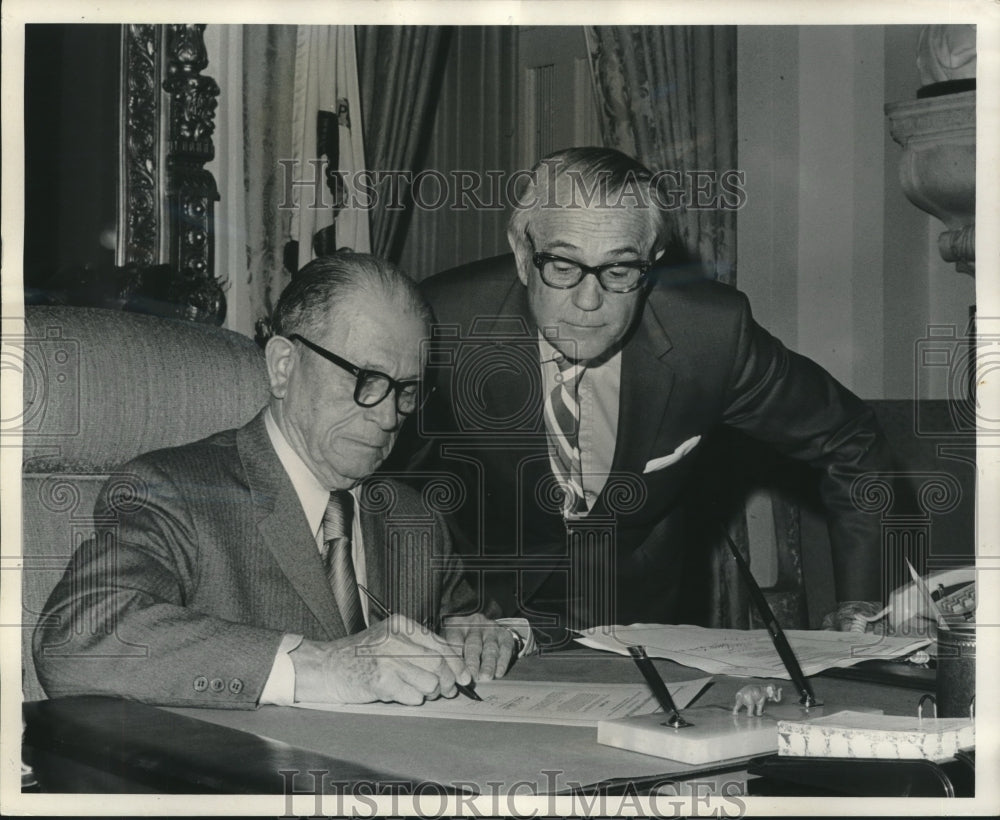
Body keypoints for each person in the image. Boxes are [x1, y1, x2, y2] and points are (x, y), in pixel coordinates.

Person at [406, 147, 892, 639]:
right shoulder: (444, 324)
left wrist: (859, 609)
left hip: (635, 629)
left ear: (653, 263)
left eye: (619, 271)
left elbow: (850, 441)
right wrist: (450, 606)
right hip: (475, 625)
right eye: (563, 265)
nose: (589, 301)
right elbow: (384, 484)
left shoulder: (712, 334)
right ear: (521, 252)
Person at [33, 252, 518, 708]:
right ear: (284, 366)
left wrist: (486, 633)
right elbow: (78, 640)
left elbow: (475, 617)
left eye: (406, 390)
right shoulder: (172, 491)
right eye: (366, 378)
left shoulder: (412, 517)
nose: (390, 416)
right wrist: (321, 665)